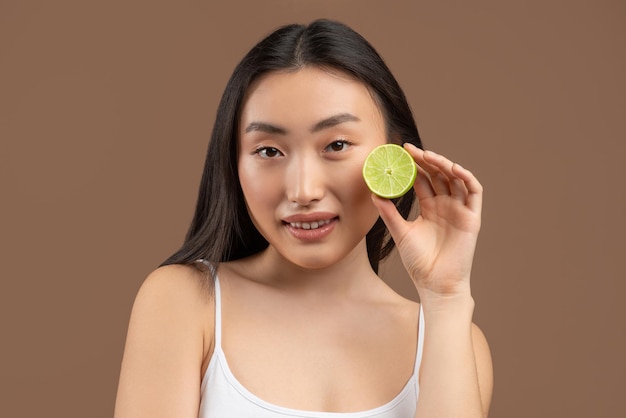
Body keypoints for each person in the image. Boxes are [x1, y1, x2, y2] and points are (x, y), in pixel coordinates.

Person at [114, 19, 493, 418]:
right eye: (269, 151)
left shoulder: (454, 341)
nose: (302, 190)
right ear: (233, 163)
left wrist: (446, 298)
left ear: (395, 156)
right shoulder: (184, 302)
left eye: (337, 145)